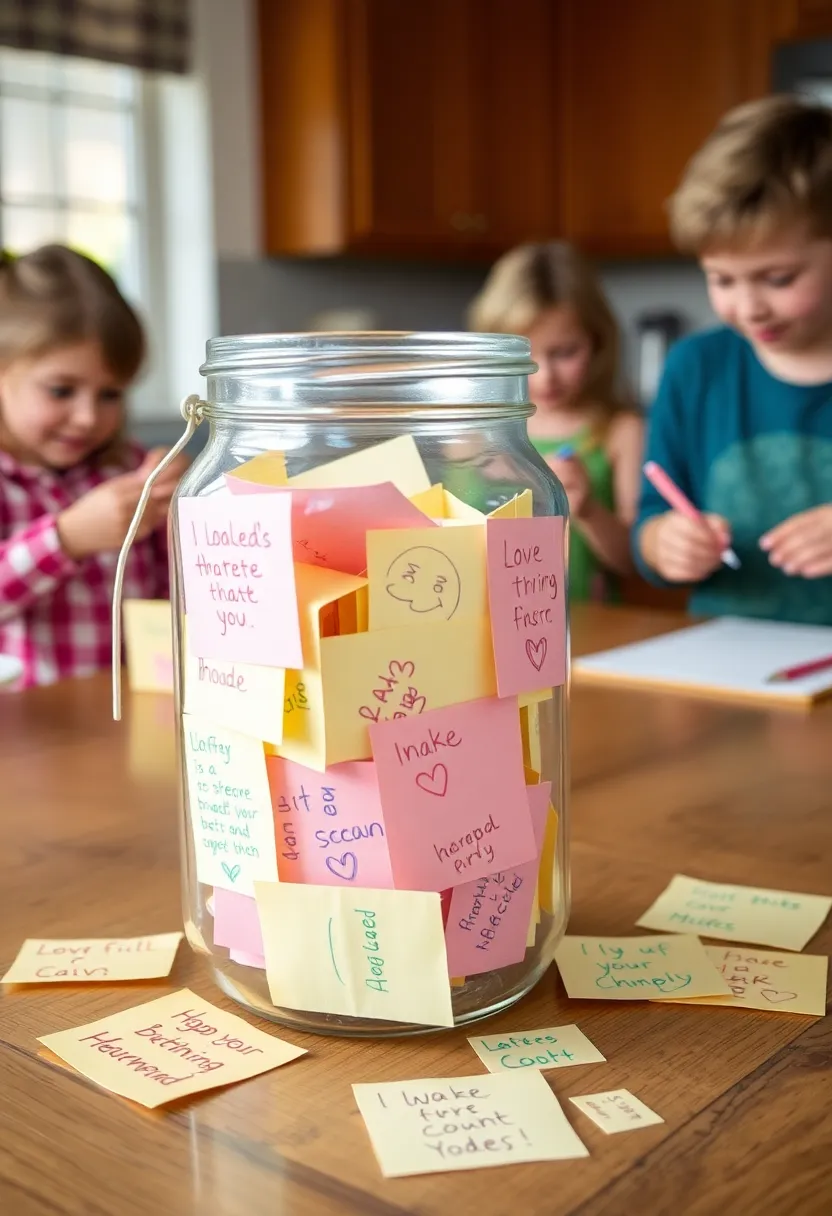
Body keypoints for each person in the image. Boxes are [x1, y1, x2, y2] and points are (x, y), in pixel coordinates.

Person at [635, 96, 832, 624]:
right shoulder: (695, 369)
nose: (748, 308)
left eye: (779, 278)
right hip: (727, 665)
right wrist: (664, 544)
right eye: (722, 279)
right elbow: (652, 520)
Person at [0, 245, 185, 689]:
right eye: (62, 391)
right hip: (30, 735)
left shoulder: (124, 469)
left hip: (131, 715)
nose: (87, 417)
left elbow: (177, 595)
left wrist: (182, 505)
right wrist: (67, 538)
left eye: (110, 395)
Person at [469, 241, 643, 601]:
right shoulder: (468, 433)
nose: (545, 376)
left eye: (565, 353)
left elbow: (633, 561)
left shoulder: (620, 431)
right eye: (525, 355)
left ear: (597, 343)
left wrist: (589, 510)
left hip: (593, 629)